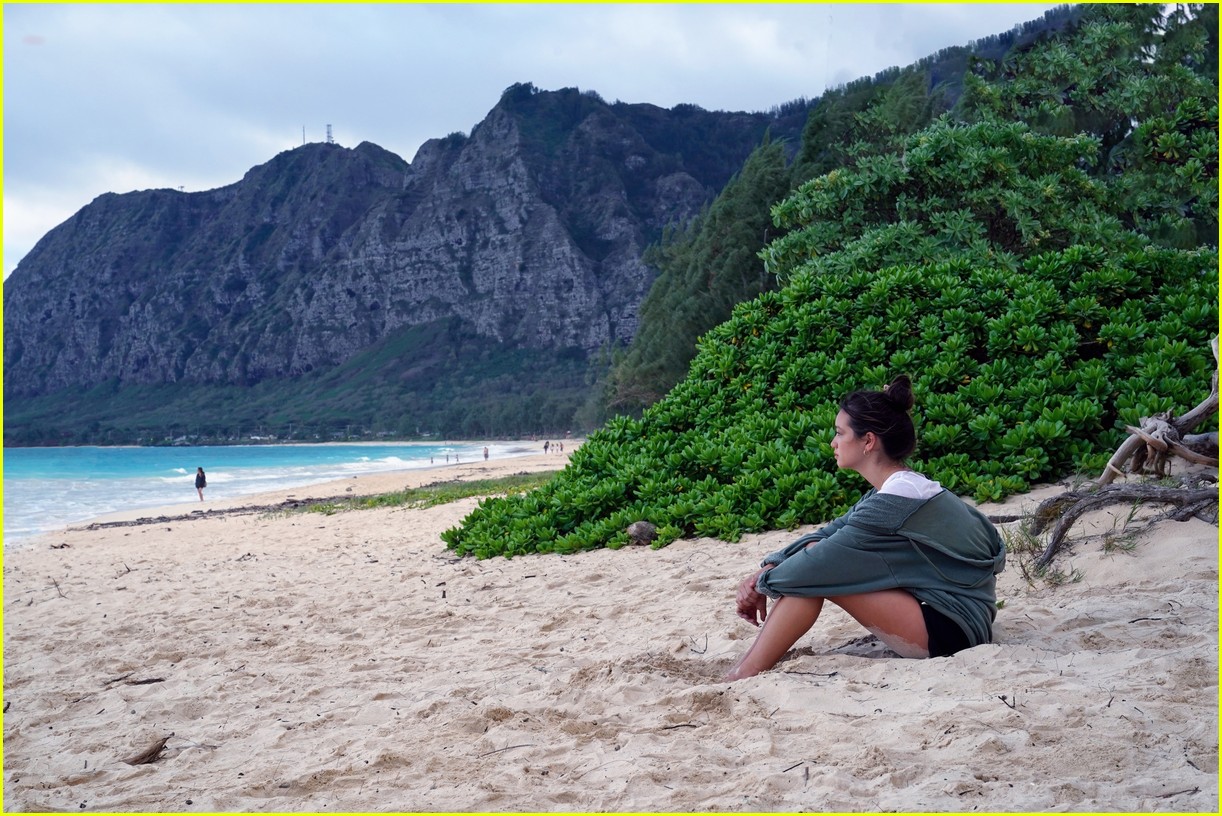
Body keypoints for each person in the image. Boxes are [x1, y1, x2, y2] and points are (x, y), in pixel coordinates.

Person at [725, 376, 1005, 681]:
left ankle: (744, 672)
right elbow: (826, 535)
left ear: (868, 441)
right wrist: (768, 568)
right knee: (813, 561)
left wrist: (760, 583)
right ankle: (745, 669)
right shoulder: (896, 490)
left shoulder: (897, 500)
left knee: (810, 577)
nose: (833, 442)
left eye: (839, 433)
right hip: (955, 616)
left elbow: (817, 564)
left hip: (953, 632)